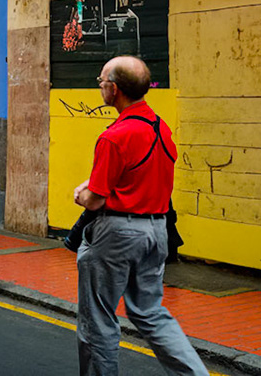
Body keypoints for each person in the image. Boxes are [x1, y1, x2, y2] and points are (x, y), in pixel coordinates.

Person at [72, 55, 208, 376]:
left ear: (115, 90)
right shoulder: (161, 128)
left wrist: (81, 193)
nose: (100, 86)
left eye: (102, 81)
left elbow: (95, 199)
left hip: (116, 233)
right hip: (156, 232)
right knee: (150, 313)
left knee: (98, 319)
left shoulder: (114, 137)